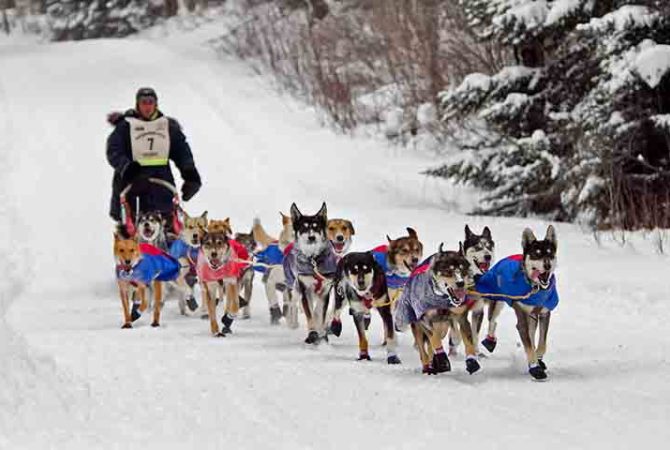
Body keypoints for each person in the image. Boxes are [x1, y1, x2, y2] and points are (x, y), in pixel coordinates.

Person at [106, 87, 201, 233]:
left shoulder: (167, 127)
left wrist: (190, 175)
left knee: (167, 231)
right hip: (131, 186)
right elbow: (114, 151)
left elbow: (182, 151)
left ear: (156, 104)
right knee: (131, 235)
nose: (147, 106)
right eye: (143, 102)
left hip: (161, 186)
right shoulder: (125, 126)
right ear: (137, 104)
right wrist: (127, 168)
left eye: (150, 102)